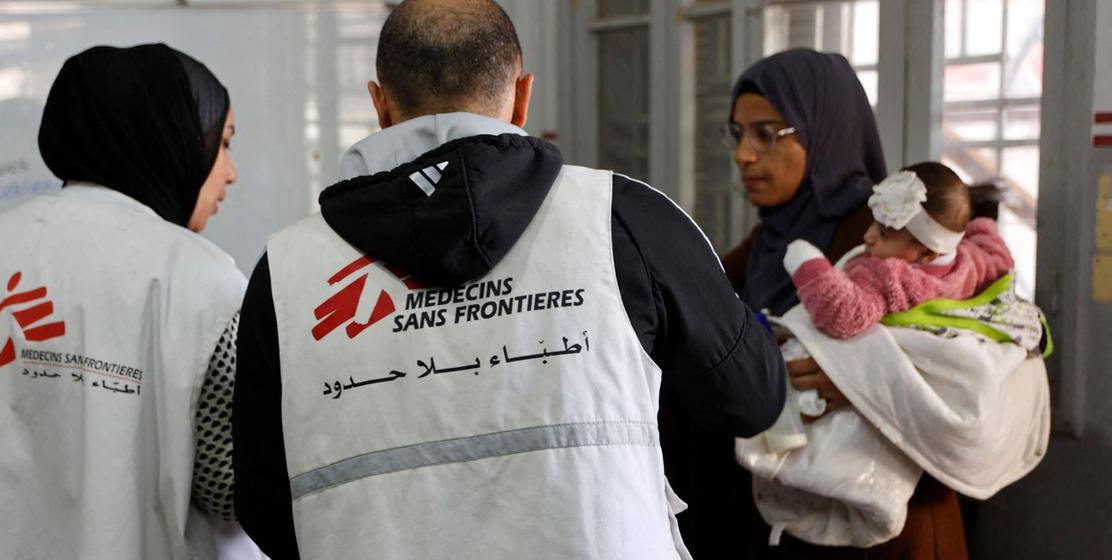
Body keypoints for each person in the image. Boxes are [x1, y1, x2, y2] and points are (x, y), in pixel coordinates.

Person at [231, 1, 785, 558]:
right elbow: (750, 400)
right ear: (523, 96)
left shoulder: (287, 274)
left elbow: (265, 504)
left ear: (380, 104)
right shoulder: (623, 220)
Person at [0, 44, 247, 560]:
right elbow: (232, 488)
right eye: (222, 142)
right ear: (169, 137)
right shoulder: (202, 280)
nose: (230, 172)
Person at [696, 48, 970, 558]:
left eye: (766, 134)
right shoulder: (773, 239)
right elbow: (701, 296)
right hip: (805, 510)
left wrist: (864, 381)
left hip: (892, 527)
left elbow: (964, 359)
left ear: (826, 130)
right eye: (738, 134)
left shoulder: (889, 239)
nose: (743, 155)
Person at [786, 162, 1015, 339]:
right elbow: (998, 255)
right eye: (874, 223)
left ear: (927, 254)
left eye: (884, 233)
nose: (868, 236)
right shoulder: (974, 262)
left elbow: (847, 314)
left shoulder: (892, 279)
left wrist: (807, 263)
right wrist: (981, 224)